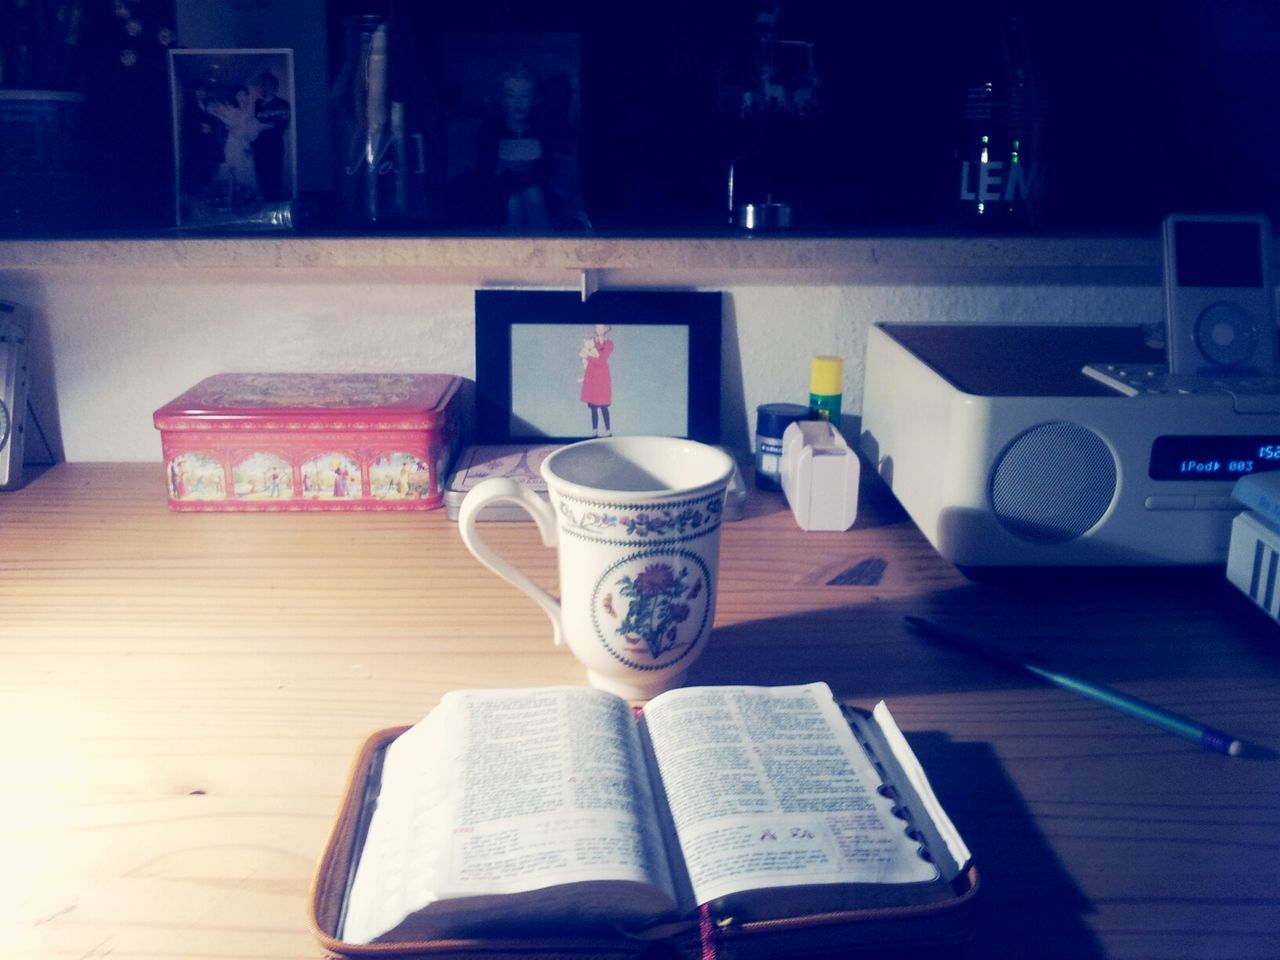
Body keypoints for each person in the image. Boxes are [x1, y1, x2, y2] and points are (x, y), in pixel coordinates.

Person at [208, 85, 270, 206]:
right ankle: (234, 201)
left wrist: (264, 126)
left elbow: (252, 133)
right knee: (236, 172)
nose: (242, 97)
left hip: (246, 146)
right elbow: (213, 110)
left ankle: (247, 200)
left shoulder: (251, 113)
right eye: (239, 95)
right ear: (234, 97)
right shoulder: (231, 110)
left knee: (248, 171)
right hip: (234, 145)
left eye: (244, 94)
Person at [253, 72, 291, 201]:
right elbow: (251, 123)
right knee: (260, 174)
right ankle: (264, 202)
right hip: (258, 145)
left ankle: (275, 204)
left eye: (269, 85)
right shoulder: (256, 104)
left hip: (274, 144)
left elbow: (283, 123)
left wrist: (264, 124)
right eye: (263, 85)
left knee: (275, 173)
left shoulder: (283, 103)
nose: (265, 88)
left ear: (276, 87)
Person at [580, 323, 613, 436]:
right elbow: (584, 354)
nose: (599, 329)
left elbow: (602, 360)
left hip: (602, 376)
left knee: (604, 405)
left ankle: (608, 431)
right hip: (592, 375)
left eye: (601, 327)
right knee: (593, 406)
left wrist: (588, 357)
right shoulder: (591, 342)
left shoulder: (609, 343)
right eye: (597, 327)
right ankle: (595, 432)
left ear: (605, 329)